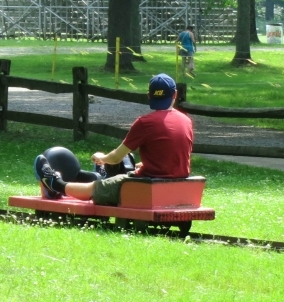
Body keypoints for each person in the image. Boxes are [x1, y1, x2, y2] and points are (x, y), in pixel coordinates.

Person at [34, 74, 194, 205]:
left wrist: (102, 159)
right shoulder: (186, 121)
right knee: (125, 171)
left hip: (148, 185)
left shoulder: (145, 122)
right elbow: (173, 156)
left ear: (149, 96)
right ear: (175, 94)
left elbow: (117, 157)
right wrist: (144, 165)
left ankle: (54, 183)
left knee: (94, 188)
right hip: (179, 181)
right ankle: (106, 175)